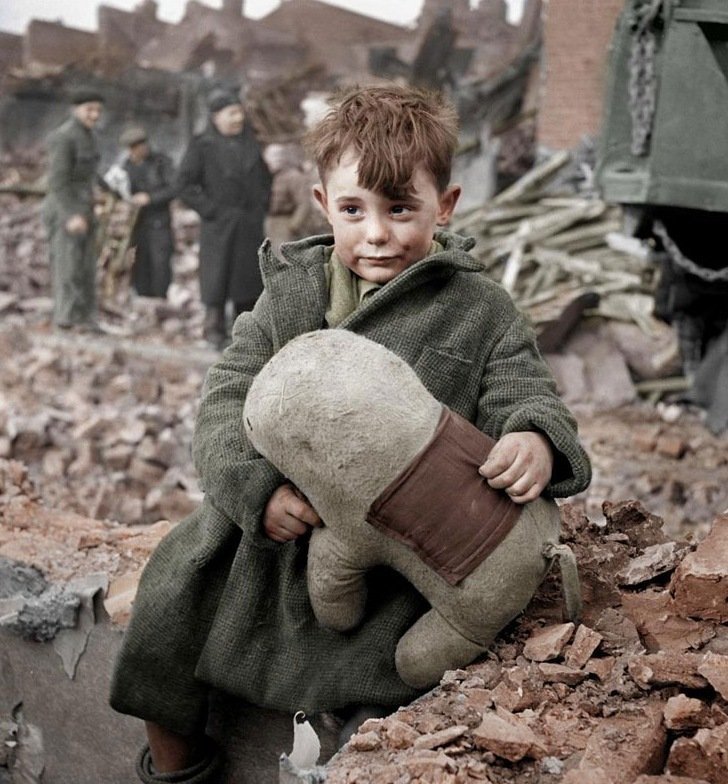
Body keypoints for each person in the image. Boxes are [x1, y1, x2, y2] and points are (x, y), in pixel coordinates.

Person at [110, 84, 592, 783]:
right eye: (354, 210)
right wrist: (256, 488)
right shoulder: (293, 293)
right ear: (321, 204)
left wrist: (533, 439)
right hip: (272, 536)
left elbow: (523, 386)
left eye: (401, 210)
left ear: (445, 205)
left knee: (389, 671)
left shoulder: (475, 306)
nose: (377, 234)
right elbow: (225, 395)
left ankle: (358, 755)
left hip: (388, 549)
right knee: (171, 602)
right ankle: (178, 766)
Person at [176, 89, 272, 349]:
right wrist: (211, 210)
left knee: (247, 280)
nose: (238, 118)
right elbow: (184, 184)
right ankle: (214, 332)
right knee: (217, 277)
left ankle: (243, 334)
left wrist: (261, 206)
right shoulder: (202, 145)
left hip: (249, 223)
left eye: (239, 113)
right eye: (231, 113)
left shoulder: (250, 143)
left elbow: (264, 179)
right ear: (216, 117)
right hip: (219, 224)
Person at [42, 87, 108, 332]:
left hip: (85, 207)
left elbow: (90, 174)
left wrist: (106, 191)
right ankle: (66, 319)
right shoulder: (64, 137)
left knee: (86, 266)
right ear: (75, 109)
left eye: (98, 110)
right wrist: (71, 214)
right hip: (64, 209)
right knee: (67, 265)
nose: (94, 115)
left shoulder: (90, 136)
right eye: (89, 109)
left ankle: (85, 319)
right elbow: (57, 181)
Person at [116, 125, 177, 299]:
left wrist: (150, 198)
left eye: (142, 144)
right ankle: (142, 298)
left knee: (160, 264)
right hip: (137, 224)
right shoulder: (126, 167)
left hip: (159, 222)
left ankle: (160, 299)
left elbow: (174, 188)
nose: (140, 149)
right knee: (140, 264)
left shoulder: (161, 162)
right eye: (135, 146)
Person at [263, 142, 328, 256]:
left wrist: (294, 225)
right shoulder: (265, 177)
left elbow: (303, 203)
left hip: (285, 222)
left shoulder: (293, 176)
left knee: (283, 258)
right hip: (269, 221)